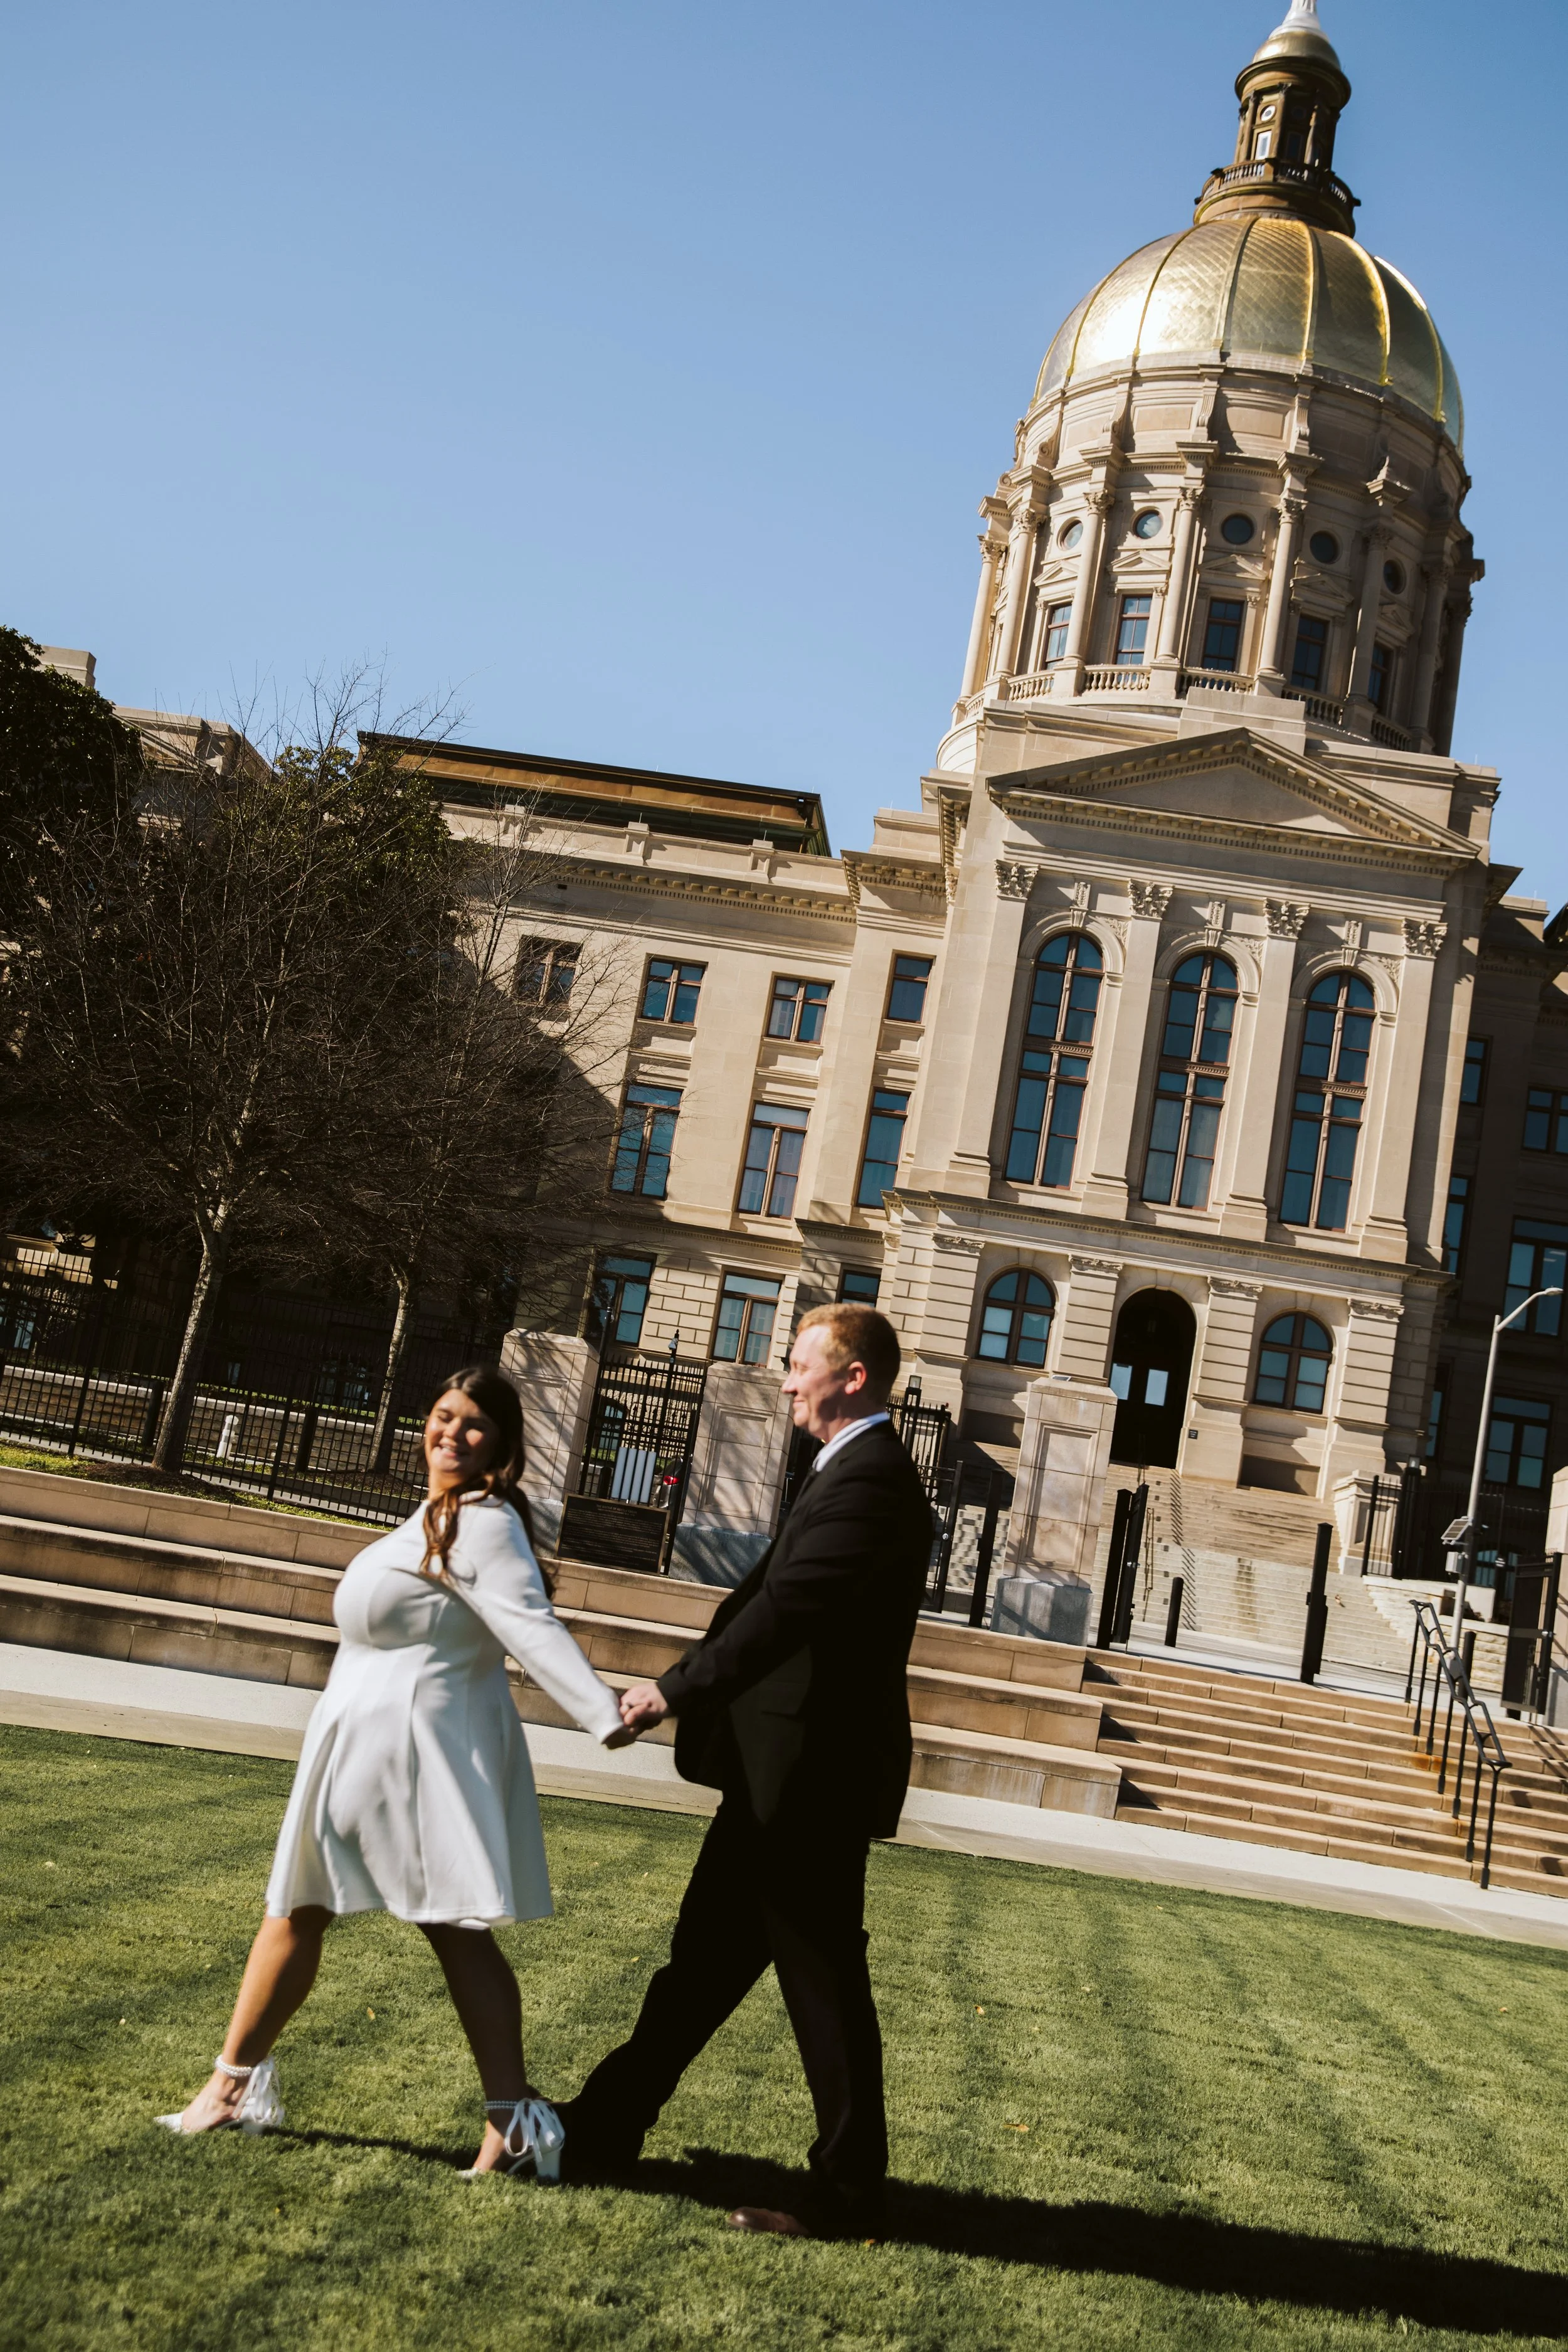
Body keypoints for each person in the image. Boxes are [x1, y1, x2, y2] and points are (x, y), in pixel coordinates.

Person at [157, 1363, 630, 2178]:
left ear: (502, 1447)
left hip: (415, 1757)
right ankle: (232, 2087)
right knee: (300, 1908)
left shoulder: (484, 1522)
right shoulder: (434, 1513)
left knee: (448, 1927)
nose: (452, 1430)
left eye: (474, 1422)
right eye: (444, 1414)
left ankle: (512, 2123)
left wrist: (605, 1712)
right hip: (357, 1751)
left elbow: (532, 1626)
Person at [558, 1302, 931, 2238]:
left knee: (824, 1989)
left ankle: (847, 2199)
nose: (785, 1376)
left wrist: (670, 1691)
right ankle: (605, 2125)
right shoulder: (843, 1471)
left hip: (809, 1779)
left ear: (854, 1376)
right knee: (701, 1967)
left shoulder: (872, 1478)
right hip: (780, 1774)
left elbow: (786, 1611)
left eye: (800, 1362)